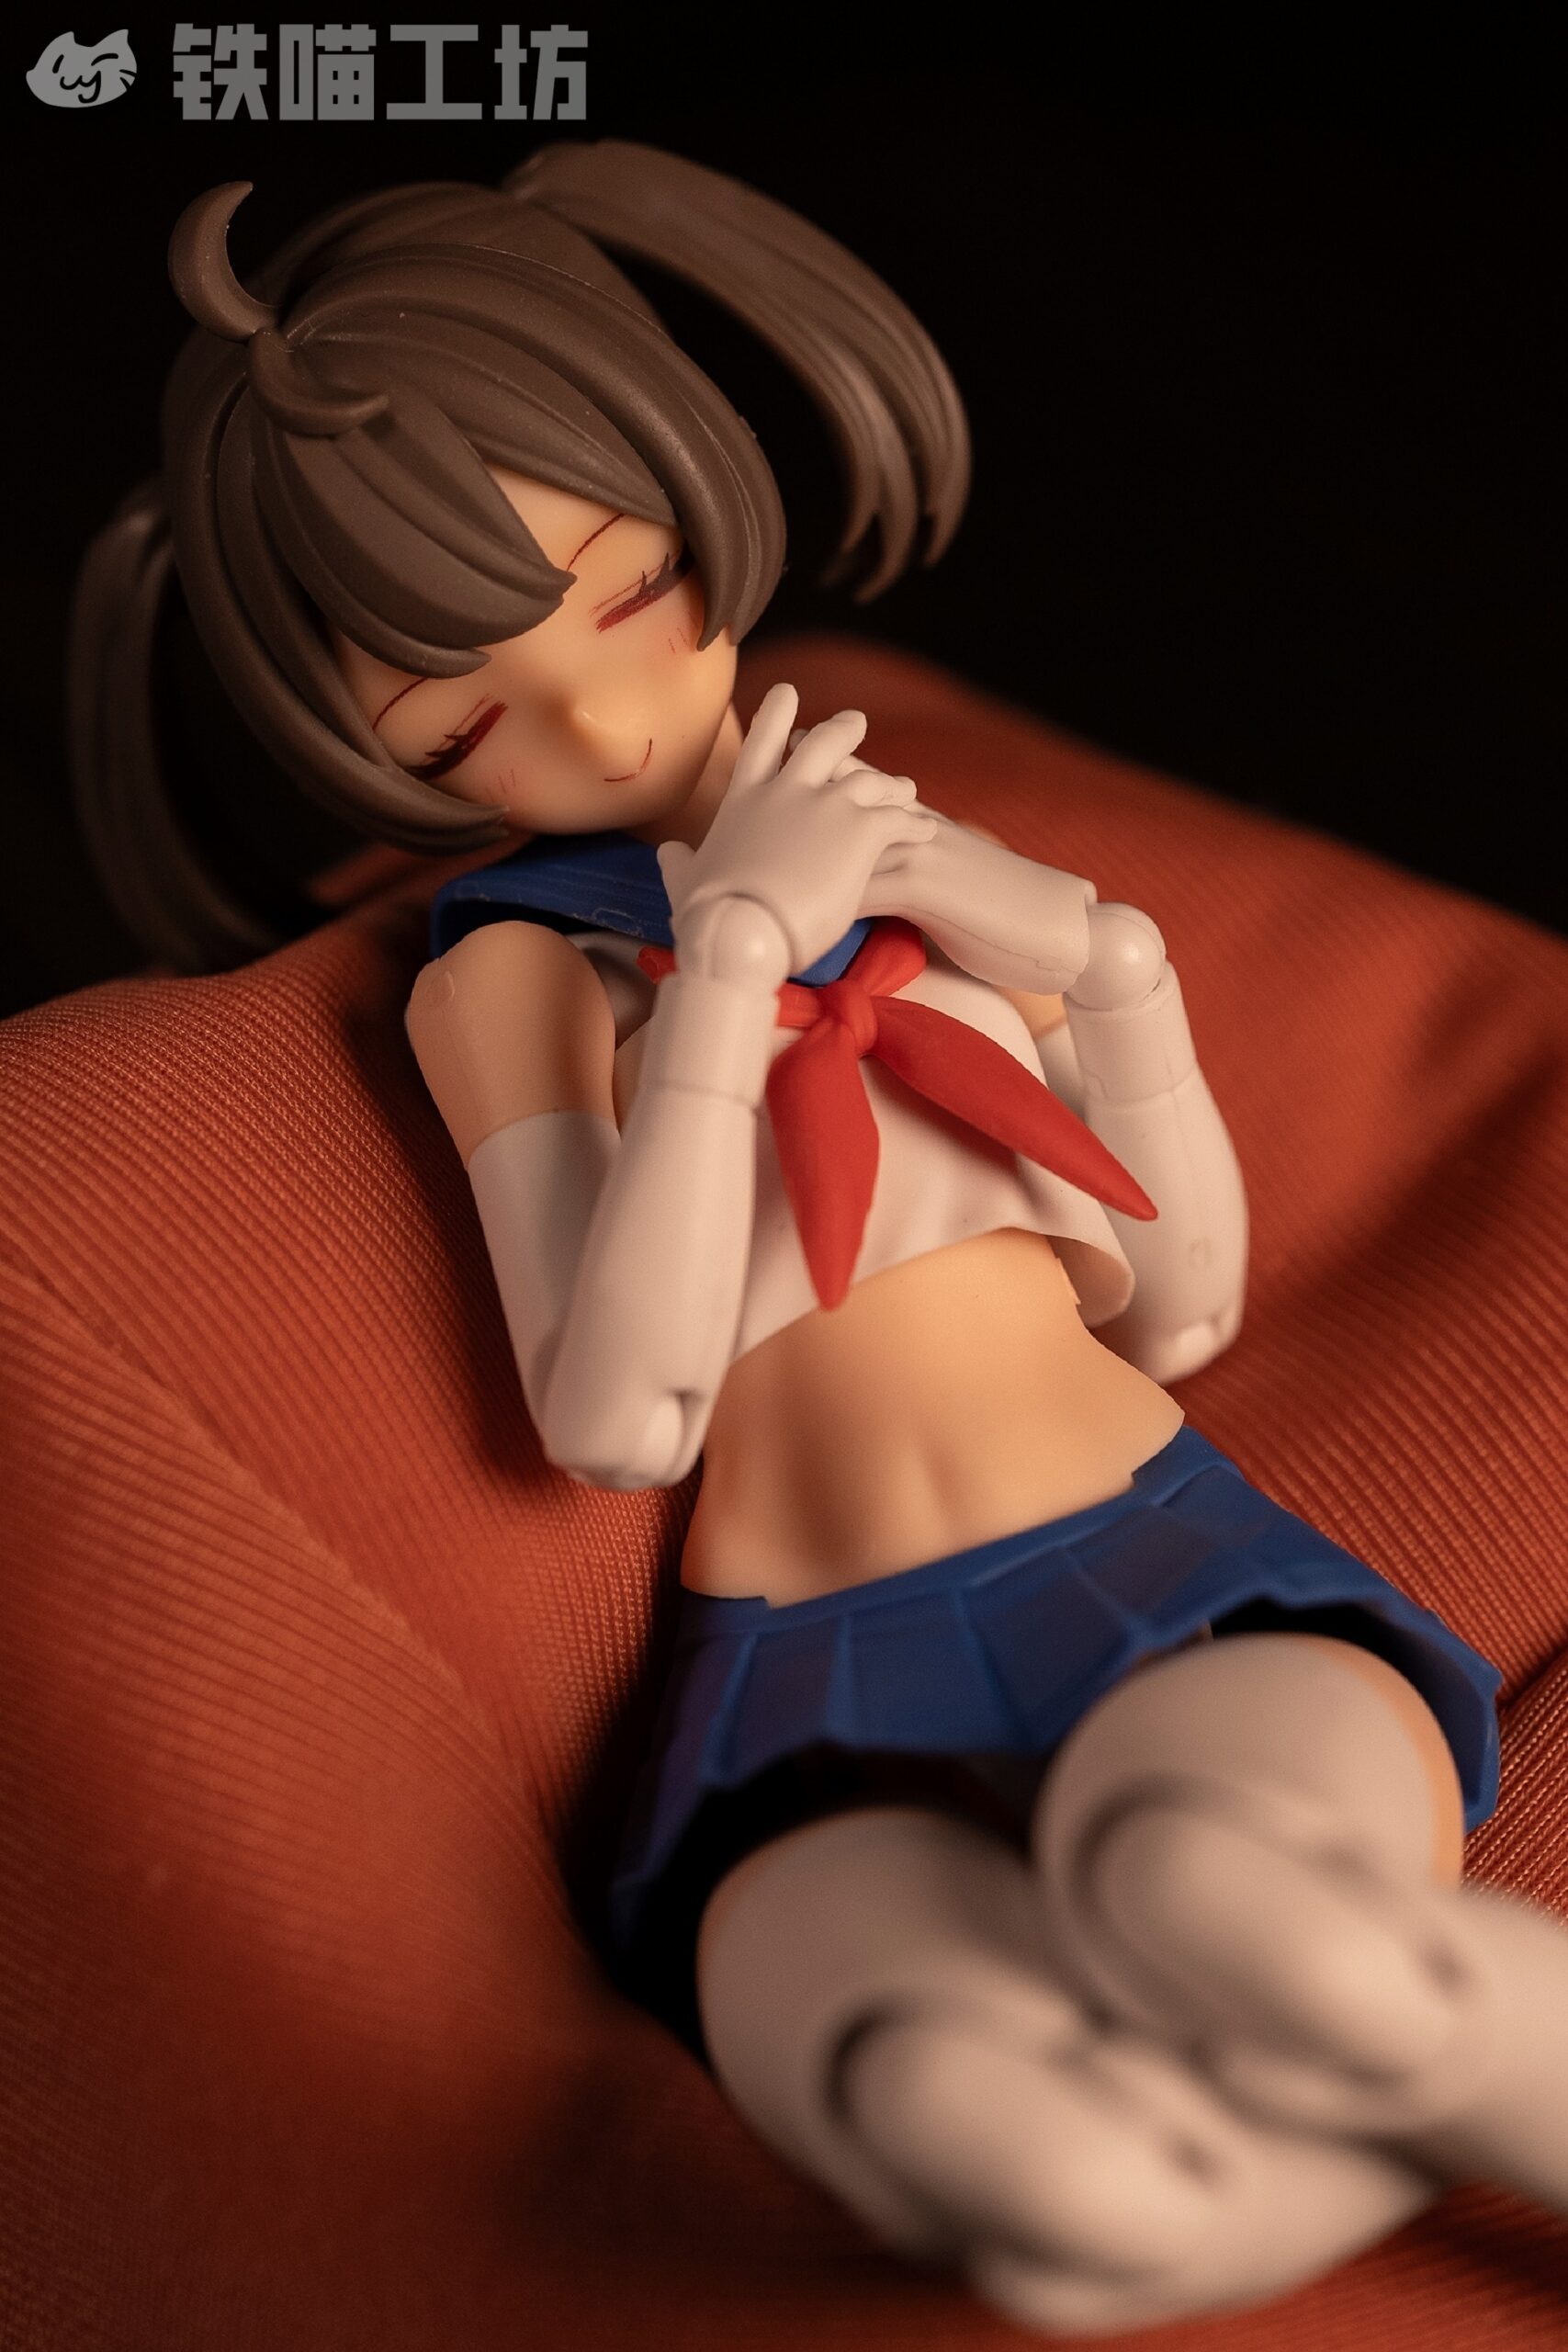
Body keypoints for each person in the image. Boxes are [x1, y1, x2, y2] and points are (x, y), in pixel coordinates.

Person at [69, 141, 1568, 2334]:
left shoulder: (911, 848)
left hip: (1159, 1572)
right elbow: (619, 1408)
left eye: (627, 595)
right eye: (465, 720)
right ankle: (1218, 2190)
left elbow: (1179, 1309)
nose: (599, 718)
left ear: (700, 502)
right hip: (800, 1690)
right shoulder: (515, 982)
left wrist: (1112, 973)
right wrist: (723, 969)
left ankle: (1395, 2057)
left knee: (1240, 1905)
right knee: (953, 2099)